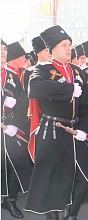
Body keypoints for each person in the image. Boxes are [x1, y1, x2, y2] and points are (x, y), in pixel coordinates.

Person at [24, 25, 88, 220]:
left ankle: (70, 214)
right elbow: (35, 88)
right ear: (52, 48)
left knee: (87, 175)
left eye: (70, 44)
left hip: (74, 132)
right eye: (64, 45)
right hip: (52, 131)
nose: (68, 48)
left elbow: (87, 106)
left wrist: (83, 129)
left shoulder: (77, 71)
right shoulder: (42, 69)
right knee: (51, 179)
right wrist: (67, 90)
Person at [1, 41, 33, 219]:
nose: (3, 52)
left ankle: (10, 200)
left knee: (15, 164)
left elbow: (22, 101)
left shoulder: (14, 74)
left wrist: (17, 125)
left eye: (4, 49)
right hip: (3, 126)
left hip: (12, 126)